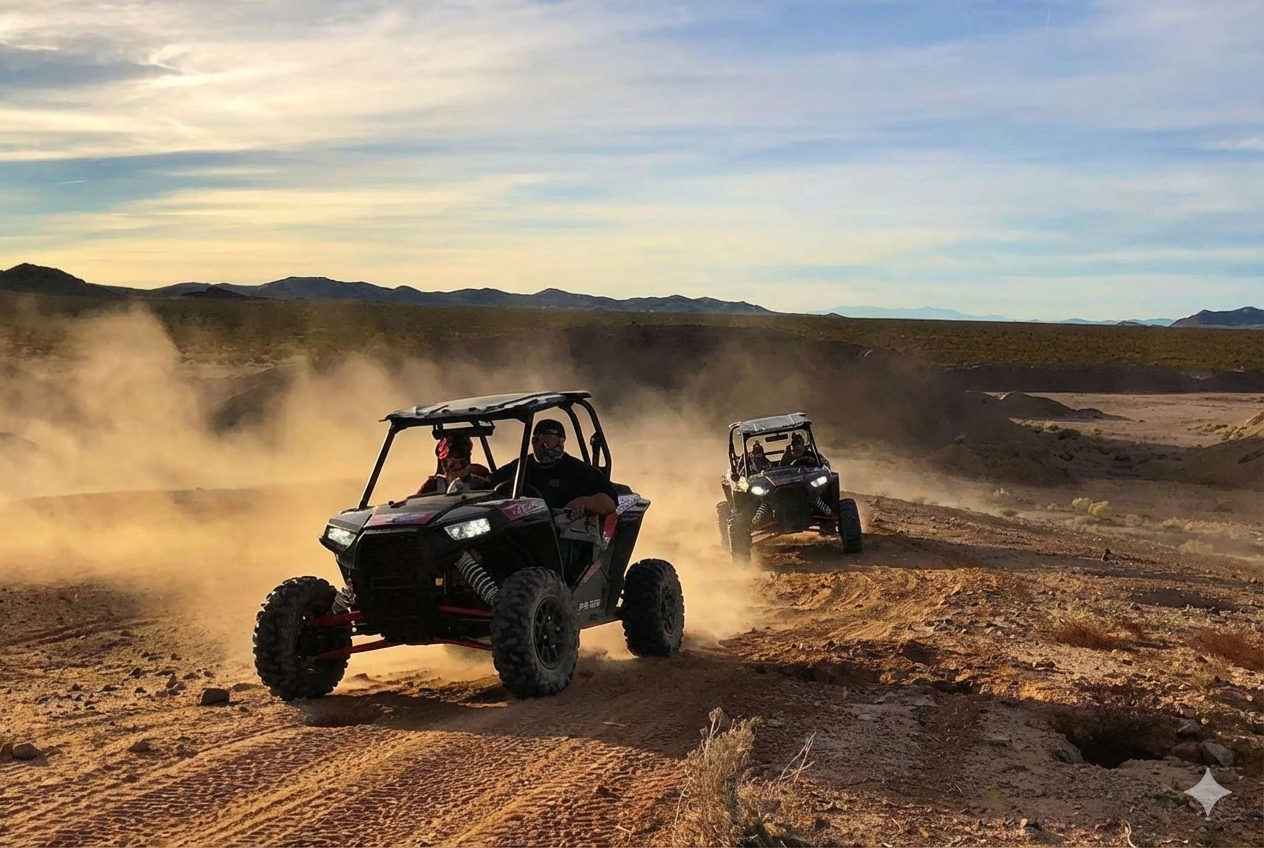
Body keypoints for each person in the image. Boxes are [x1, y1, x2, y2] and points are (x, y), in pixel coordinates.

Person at [489, 418, 617, 518]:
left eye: (560, 441)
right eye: (549, 441)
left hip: (563, 534)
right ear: (534, 441)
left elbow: (610, 501)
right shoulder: (519, 468)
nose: (557, 446)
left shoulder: (578, 470)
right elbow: (490, 484)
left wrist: (584, 502)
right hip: (522, 529)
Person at [416, 434, 491, 495]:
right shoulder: (433, 485)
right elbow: (416, 507)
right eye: (451, 460)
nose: (458, 465)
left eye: (462, 460)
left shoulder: (480, 479)